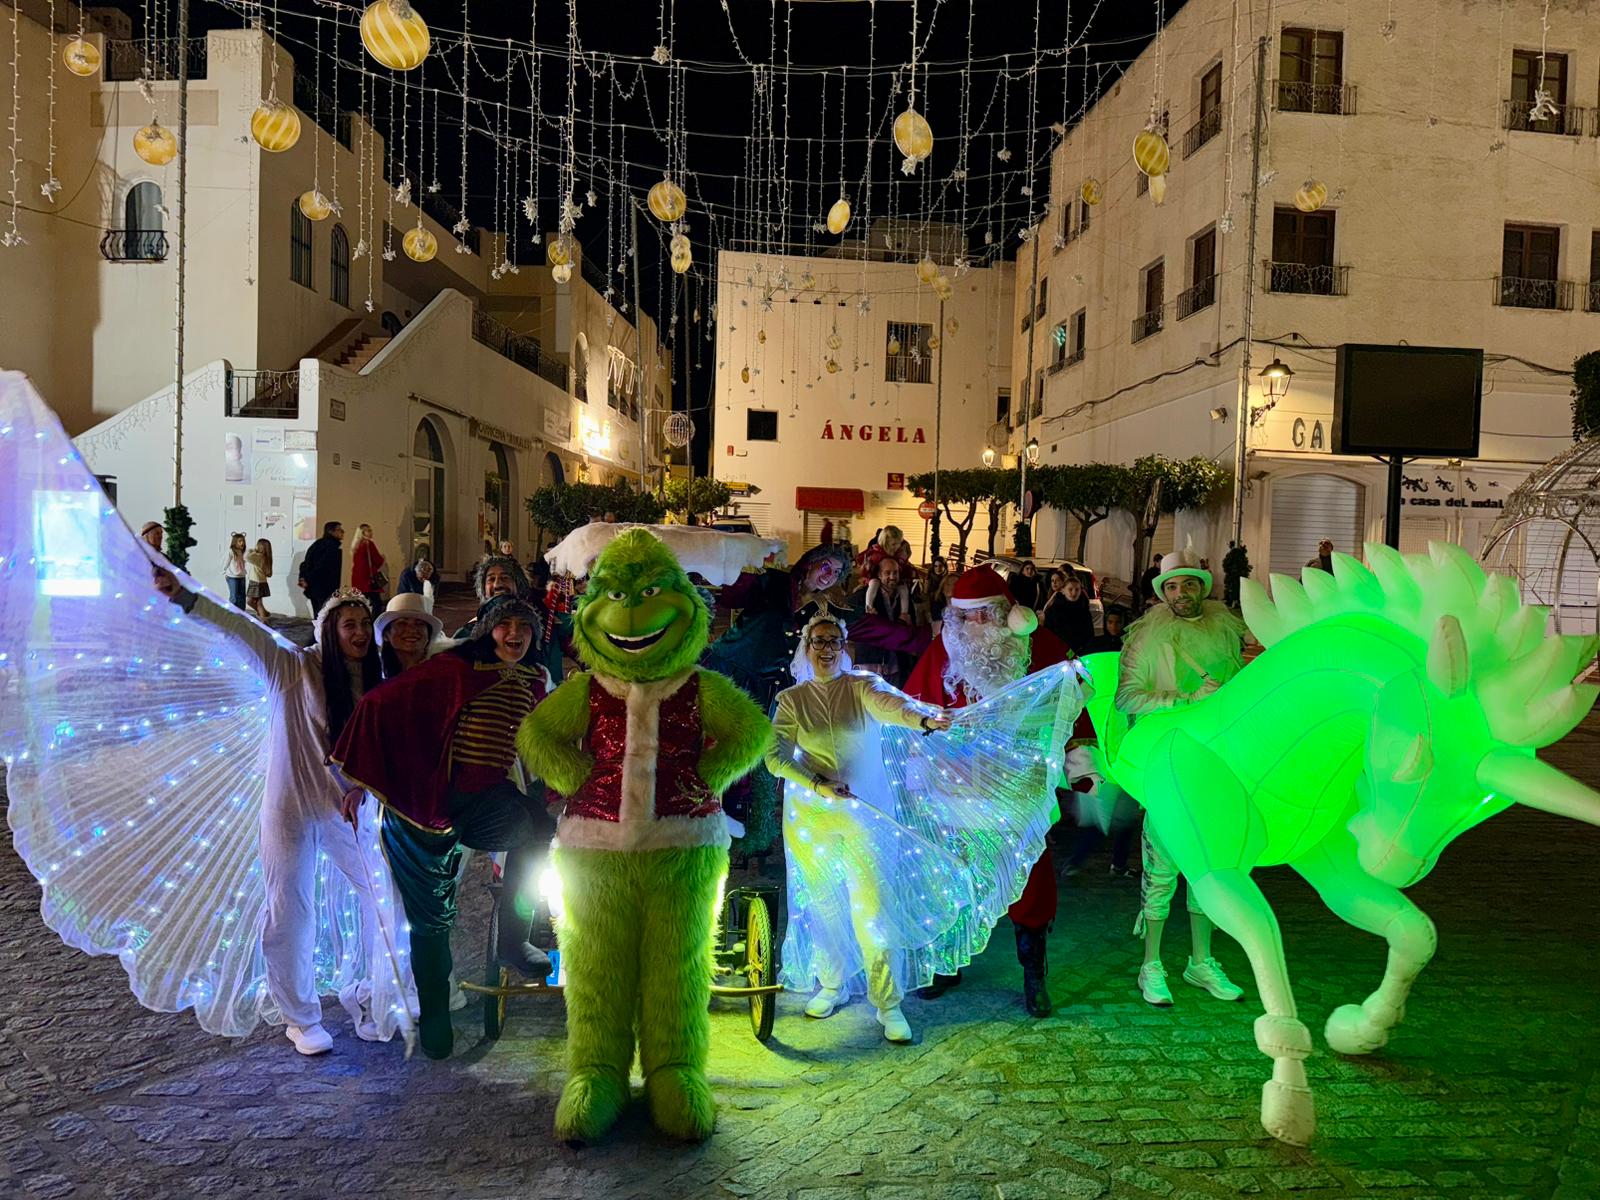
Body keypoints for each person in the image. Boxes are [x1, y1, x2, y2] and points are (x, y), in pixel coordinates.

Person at [151, 572, 395, 1055]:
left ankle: (370, 992)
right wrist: (187, 598)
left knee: (383, 895)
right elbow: (242, 629)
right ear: (330, 629)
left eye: (365, 624)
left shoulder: (375, 681)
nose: (360, 633)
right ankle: (300, 1016)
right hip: (288, 808)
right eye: (349, 624)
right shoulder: (291, 667)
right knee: (290, 908)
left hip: (345, 806)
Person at [331, 595, 554, 1060]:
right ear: (486, 630)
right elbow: (379, 702)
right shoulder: (455, 669)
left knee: (536, 826)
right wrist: (359, 772)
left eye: (524, 626)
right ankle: (434, 1011)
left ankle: (514, 937)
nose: (514, 633)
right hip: (425, 808)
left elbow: (536, 742)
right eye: (503, 624)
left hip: (488, 800)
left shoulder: (535, 680)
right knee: (431, 917)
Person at [766, 615, 952, 1043]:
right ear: (807, 647)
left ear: (845, 646)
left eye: (834, 641)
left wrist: (924, 720)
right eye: (817, 641)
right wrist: (816, 783)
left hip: (865, 817)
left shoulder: (863, 686)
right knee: (824, 904)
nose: (826, 649)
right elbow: (775, 757)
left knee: (872, 910)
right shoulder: (792, 699)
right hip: (813, 818)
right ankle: (832, 984)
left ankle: (888, 1003)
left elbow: (895, 707)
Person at [901, 565, 1071, 1017]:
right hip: (955, 790)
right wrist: (919, 765)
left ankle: (1034, 974)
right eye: (966, 618)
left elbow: (1072, 701)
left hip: (1018, 789)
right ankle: (946, 963)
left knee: (1030, 880)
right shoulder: (942, 651)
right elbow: (914, 708)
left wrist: (1080, 759)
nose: (974, 626)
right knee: (950, 873)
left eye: (985, 615)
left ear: (1006, 614)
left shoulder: (1042, 648)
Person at [1115, 547, 1248, 1007]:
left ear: (1202, 588)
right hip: (1167, 762)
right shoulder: (1146, 638)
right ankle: (1150, 964)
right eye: (1172, 586)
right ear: (1162, 592)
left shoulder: (1227, 630)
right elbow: (1127, 699)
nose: (1181, 593)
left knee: (1207, 865)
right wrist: (1187, 701)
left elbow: (1242, 693)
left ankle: (1200, 961)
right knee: (1162, 865)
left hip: (1216, 764)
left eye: (1189, 584)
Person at [853, 556, 913, 687]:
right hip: (870, 662)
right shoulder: (862, 596)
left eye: (895, 572)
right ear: (879, 575)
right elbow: (855, 625)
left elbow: (911, 624)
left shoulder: (906, 598)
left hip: (896, 664)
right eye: (887, 573)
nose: (892, 577)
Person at [452, 554, 532, 639]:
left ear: (519, 585)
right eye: (491, 579)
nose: (497, 585)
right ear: (483, 588)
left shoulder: (536, 630)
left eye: (505, 578)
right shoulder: (467, 634)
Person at [374, 592, 446, 679]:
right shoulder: (375, 673)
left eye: (419, 624)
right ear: (386, 635)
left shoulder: (443, 670)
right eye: (402, 623)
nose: (412, 630)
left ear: (428, 634)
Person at [1040, 570, 1095, 653]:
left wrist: (1083, 649)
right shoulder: (1054, 610)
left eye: (1077, 589)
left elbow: (1089, 634)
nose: (1074, 593)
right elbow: (1048, 633)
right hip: (1058, 652)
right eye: (1070, 589)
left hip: (1079, 653)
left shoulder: (1084, 610)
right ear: (1063, 590)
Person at [299, 521, 345, 617]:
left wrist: (304, 578)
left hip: (315, 588)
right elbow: (322, 568)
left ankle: (319, 631)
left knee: (319, 615)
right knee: (325, 616)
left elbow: (305, 564)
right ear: (331, 531)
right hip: (324, 588)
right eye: (339, 530)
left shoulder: (317, 544)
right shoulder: (330, 547)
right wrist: (307, 578)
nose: (342, 532)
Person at [351, 524, 388, 615]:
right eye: (369, 530)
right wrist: (383, 558)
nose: (371, 532)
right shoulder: (368, 544)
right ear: (363, 532)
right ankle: (374, 622)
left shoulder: (355, 545)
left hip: (357, 578)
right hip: (368, 578)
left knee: (361, 601)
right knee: (376, 602)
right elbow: (377, 560)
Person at [245, 537, 274, 621]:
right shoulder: (265, 557)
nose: (255, 546)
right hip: (261, 582)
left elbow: (247, 557)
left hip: (256, 582)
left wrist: (253, 550)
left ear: (260, 547)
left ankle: (264, 620)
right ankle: (264, 614)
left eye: (257, 545)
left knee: (254, 603)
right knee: (256, 602)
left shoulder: (259, 556)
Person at [223, 533, 248, 610]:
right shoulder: (231, 552)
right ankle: (232, 614)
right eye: (239, 541)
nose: (242, 543)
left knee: (242, 597)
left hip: (242, 576)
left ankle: (241, 613)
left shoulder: (242, 552)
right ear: (234, 542)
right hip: (232, 577)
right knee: (234, 597)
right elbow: (225, 563)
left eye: (243, 541)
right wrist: (224, 572)